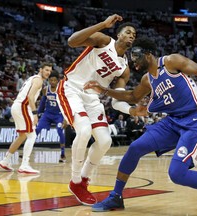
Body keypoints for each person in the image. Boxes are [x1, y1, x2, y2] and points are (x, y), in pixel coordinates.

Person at [84, 37, 197, 215]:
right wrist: (104, 90)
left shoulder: (171, 62)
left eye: (136, 56)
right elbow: (132, 97)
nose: (133, 60)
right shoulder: (147, 80)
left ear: (148, 54)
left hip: (196, 121)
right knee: (135, 147)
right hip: (172, 121)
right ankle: (116, 196)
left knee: (176, 173)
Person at [56, 14, 145, 205]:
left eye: (134, 34)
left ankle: (84, 180)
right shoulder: (103, 40)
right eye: (128, 32)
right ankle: (75, 180)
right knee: (84, 130)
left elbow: (116, 100)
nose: (131, 36)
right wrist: (103, 25)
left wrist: (131, 111)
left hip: (92, 98)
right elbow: (72, 41)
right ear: (118, 34)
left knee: (105, 141)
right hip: (71, 88)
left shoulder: (124, 68)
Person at [0, 62, 53, 174]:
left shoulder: (32, 78)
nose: (48, 73)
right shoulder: (38, 80)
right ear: (41, 69)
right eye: (46, 70)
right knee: (32, 135)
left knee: (22, 136)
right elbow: (30, 97)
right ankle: (24, 165)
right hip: (23, 107)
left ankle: (5, 161)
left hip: (17, 106)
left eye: (50, 71)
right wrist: (34, 113)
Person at [36, 71, 67, 163]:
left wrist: (66, 118)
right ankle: (27, 151)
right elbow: (42, 103)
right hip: (47, 114)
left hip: (59, 115)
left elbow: (66, 105)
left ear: (58, 81)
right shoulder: (45, 89)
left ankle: (62, 153)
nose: (53, 82)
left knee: (59, 130)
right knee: (37, 129)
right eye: (51, 80)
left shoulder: (62, 90)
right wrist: (37, 114)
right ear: (49, 80)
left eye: (54, 80)